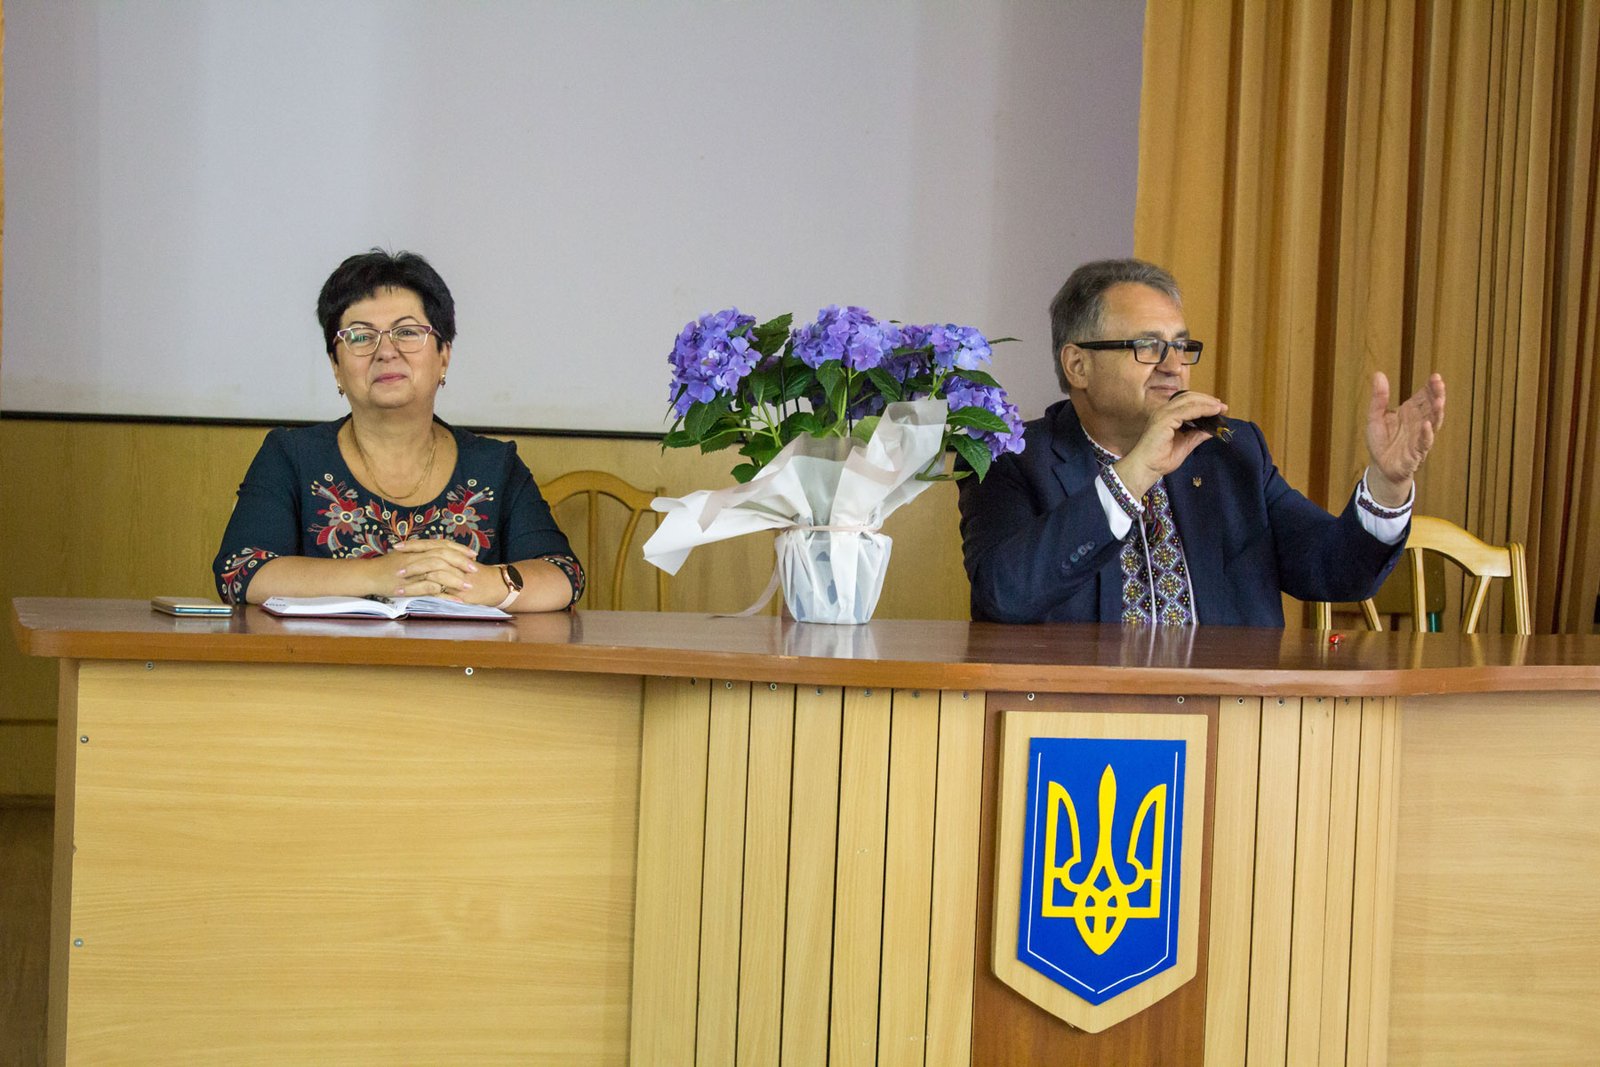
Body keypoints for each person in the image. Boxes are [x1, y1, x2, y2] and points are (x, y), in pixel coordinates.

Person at [958, 258, 1446, 625]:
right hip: (1079, 721)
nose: (1174, 365)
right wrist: (1133, 476)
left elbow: (1335, 570)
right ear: (1078, 365)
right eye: (1148, 346)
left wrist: (1387, 486)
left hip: (1229, 716)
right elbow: (1004, 596)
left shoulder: (1230, 451)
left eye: (1181, 346)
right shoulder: (1007, 459)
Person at [213, 250, 583, 612]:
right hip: (323, 655)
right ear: (336, 366)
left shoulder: (494, 465)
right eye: (361, 336)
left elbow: (564, 574)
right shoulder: (291, 456)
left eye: (407, 332)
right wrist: (378, 575)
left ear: (444, 355)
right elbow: (240, 571)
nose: (386, 351)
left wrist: (484, 584)